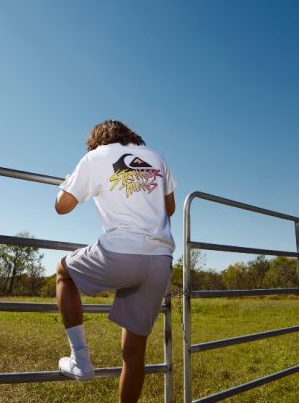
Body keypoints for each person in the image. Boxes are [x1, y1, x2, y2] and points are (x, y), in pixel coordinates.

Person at [55, 119, 176, 403]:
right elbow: (169, 208)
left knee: (63, 272)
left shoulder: (95, 156)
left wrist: (69, 182)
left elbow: (62, 206)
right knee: (134, 355)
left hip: (120, 254)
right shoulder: (157, 157)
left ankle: (80, 359)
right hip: (159, 260)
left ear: (96, 140)